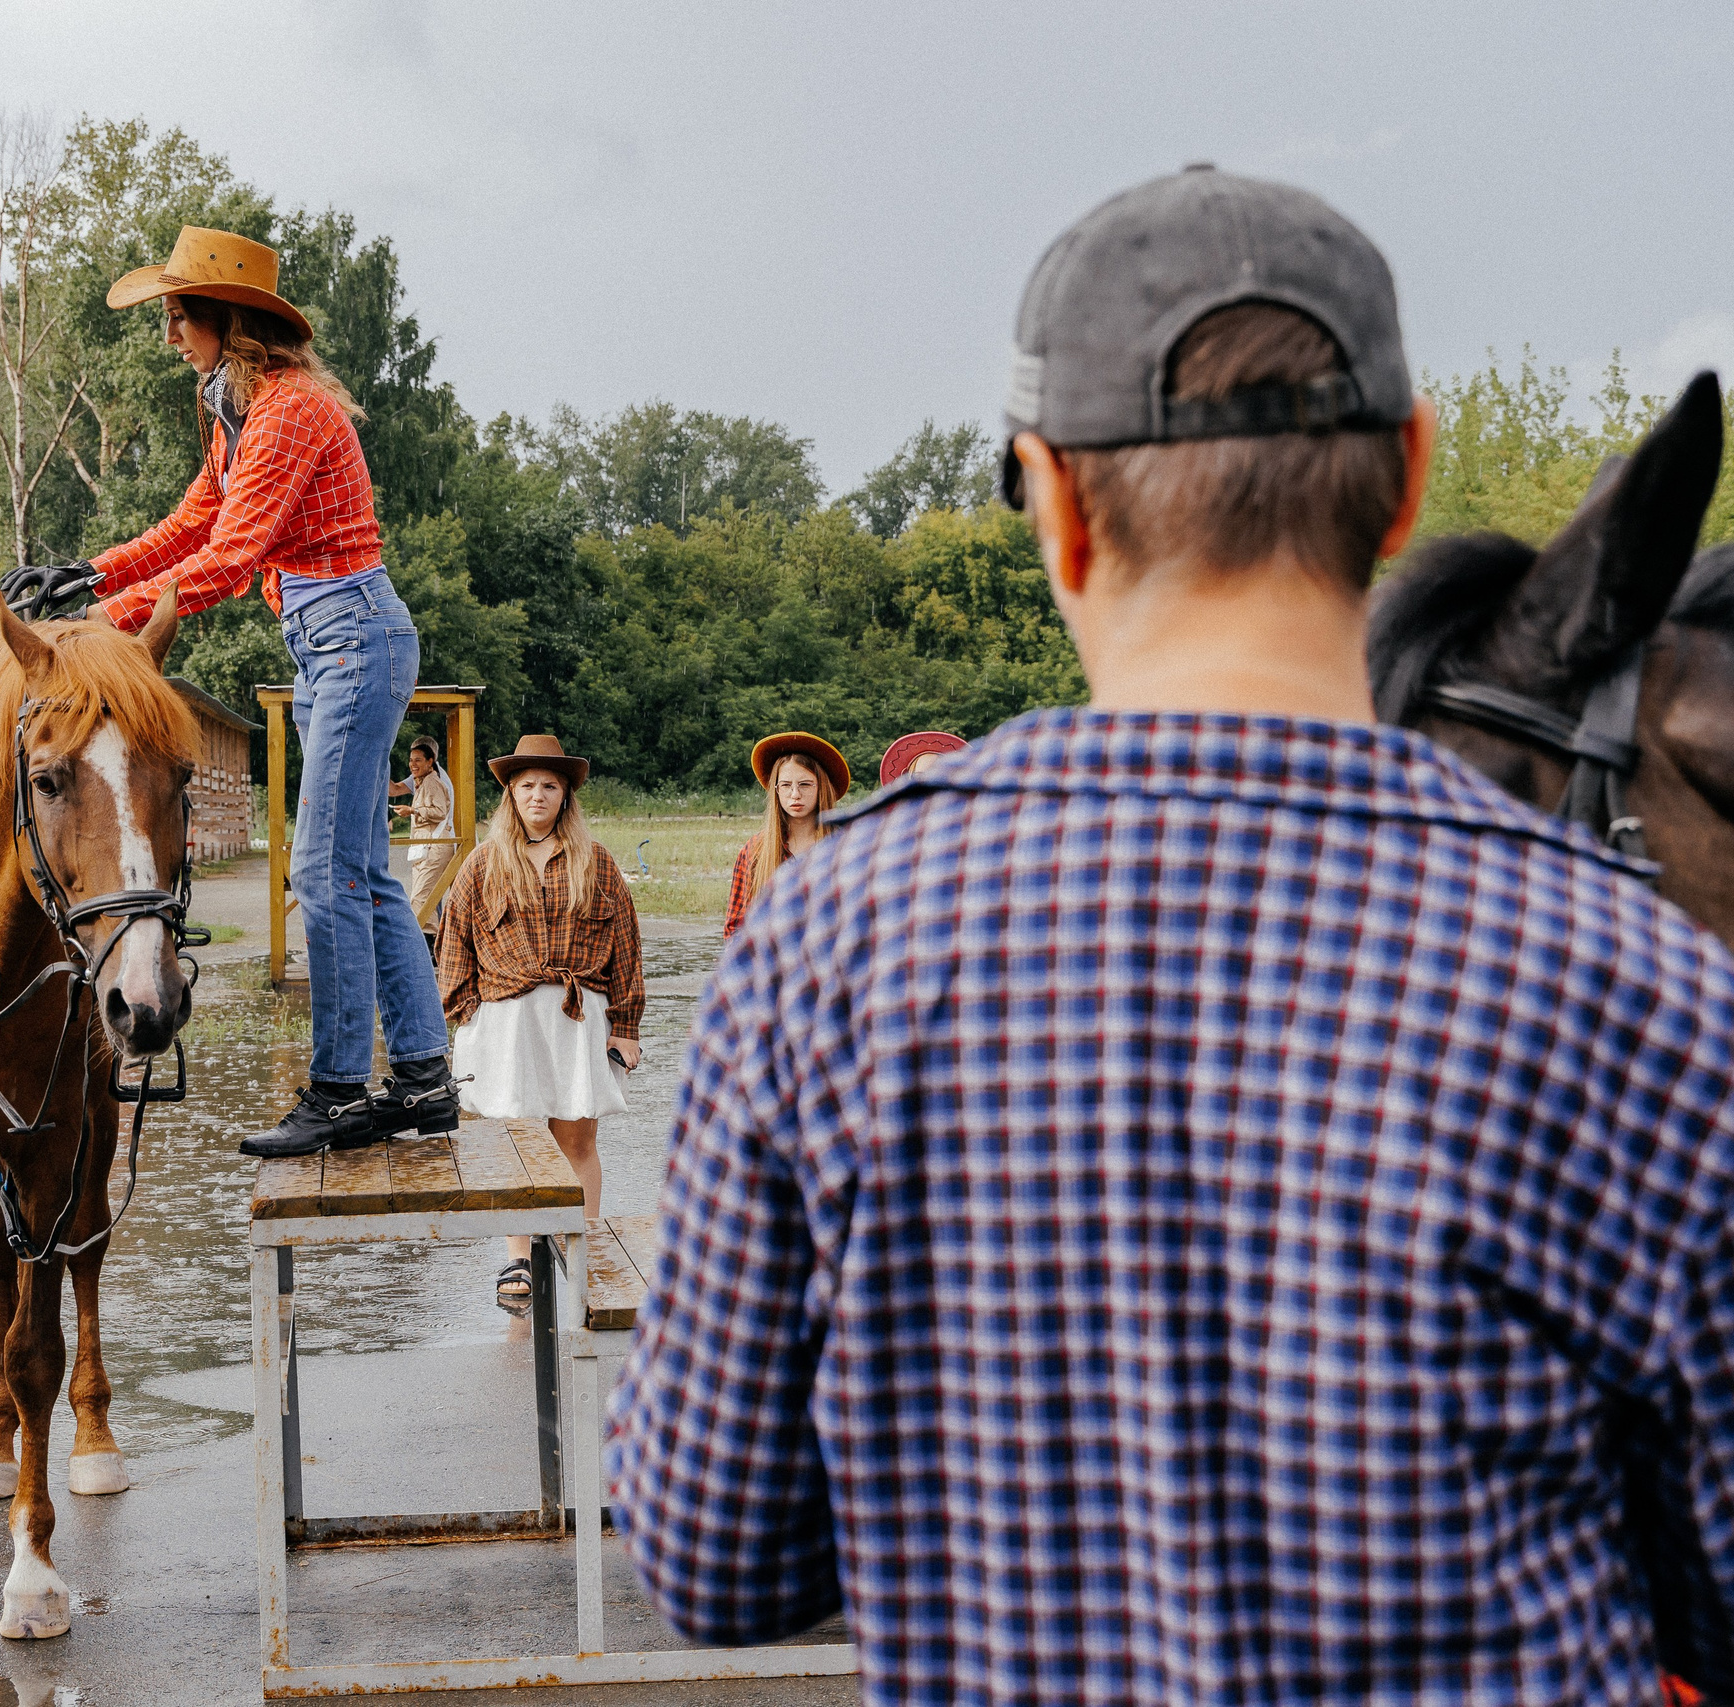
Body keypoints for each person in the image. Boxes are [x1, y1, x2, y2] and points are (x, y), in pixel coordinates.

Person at [612, 165, 1734, 1705]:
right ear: (1407, 479)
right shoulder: (1646, 981)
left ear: (1055, 503)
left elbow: (715, 1557)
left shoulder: (823, 946)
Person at [19, 227, 452, 1158]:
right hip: (336, 640)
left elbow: (229, 557)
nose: (170, 332)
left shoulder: (289, 413)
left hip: (352, 637)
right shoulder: (238, 410)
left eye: (178, 314)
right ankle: (423, 1076)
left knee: (322, 873)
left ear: (228, 320)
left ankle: (338, 1089)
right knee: (368, 873)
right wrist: (87, 575)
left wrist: (101, 629)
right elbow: (194, 521)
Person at [434, 735, 644, 1300]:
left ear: (566, 796)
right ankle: (519, 1261)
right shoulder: (483, 863)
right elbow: (454, 941)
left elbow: (625, 942)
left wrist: (625, 1026)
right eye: (527, 785)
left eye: (549, 786)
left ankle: (585, 1248)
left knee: (576, 1136)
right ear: (510, 794)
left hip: (578, 1018)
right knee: (519, 1141)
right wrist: (467, 1014)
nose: (538, 794)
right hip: (509, 1023)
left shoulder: (596, 860)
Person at [722, 731, 849, 939]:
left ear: (822, 787)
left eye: (805, 784)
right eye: (786, 785)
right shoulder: (755, 850)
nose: (795, 794)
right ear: (776, 790)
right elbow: (736, 928)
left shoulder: (846, 844)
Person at [390, 735, 456, 928]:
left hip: (435, 844)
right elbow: (393, 790)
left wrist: (412, 810)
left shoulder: (433, 781)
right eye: (411, 759)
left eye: (418, 759)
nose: (412, 764)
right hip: (427, 845)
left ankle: (430, 946)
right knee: (428, 900)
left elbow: (439, 812)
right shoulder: (423, 777)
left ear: (431, 760)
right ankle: (436, 946)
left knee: (421, 900)